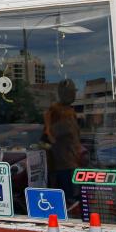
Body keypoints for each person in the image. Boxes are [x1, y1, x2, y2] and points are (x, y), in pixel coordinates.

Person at [43, 79, 82, 210]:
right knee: (68, 200)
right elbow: (49, 134)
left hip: (73, 161)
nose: (73, 95)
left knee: (76, 199)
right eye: (71, 92)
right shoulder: (54, 111)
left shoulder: (70, 111)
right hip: (62, 163)